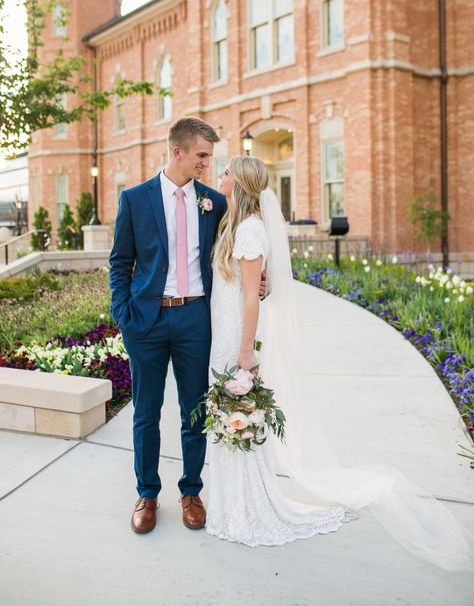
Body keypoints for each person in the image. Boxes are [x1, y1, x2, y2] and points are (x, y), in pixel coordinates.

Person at [206, 155, 474, 572]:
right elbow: (245, 285)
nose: (218, 175)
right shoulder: (233, 224)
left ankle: (247, 506)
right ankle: (232, 502)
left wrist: (245, 351)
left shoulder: (250, 228)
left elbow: (247, 298)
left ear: (238, 182)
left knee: (239, 417)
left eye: (225, 171)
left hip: (234, 339)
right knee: (232, 418)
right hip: (222, 333)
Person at [109, 117, 226, 534]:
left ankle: (191, 491)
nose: (206, 164)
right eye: (201, 155)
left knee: (194, 410)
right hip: (147, 320)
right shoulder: (135, 199)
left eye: (209, 157)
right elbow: (120, 261)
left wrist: (258, 279)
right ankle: (147, 493)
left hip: (196, 317)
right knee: (146, 412)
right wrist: (123, 313)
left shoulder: (214, 202)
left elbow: (226, 256)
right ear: (177, 152)